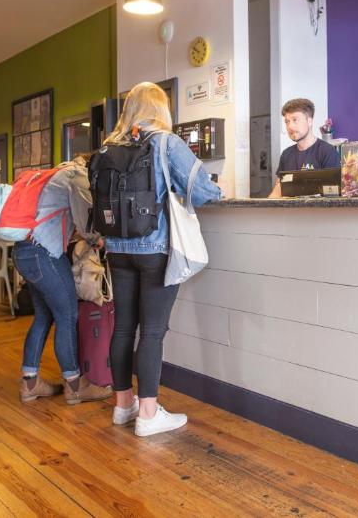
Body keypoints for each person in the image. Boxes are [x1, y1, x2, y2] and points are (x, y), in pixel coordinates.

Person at [104, 82, 221, 437]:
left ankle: (124, 406)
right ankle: (149, 414)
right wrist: (218, 190)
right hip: (154, 248)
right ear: (161, 109)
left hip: (117, 248)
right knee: (152, 332)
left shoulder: (110, 146)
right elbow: (202, 190)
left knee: (123, 327)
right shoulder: (166, 143)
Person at [13, 156, 112, 406]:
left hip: (24, 251)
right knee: (67, 316)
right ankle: (75, 386)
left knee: (44, 316)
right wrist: (99, 240)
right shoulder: (75, 175)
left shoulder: (51, 176)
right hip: (44, 254)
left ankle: (30, 383)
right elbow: (85, 221)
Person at [268, 98, 340, 198]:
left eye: (295, 120)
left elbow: (332, 195)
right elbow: (278, 189)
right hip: (290, 213)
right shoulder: (286, 154)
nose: (290, 126)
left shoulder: (328, 152)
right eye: (287, 122)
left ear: (309, 121)